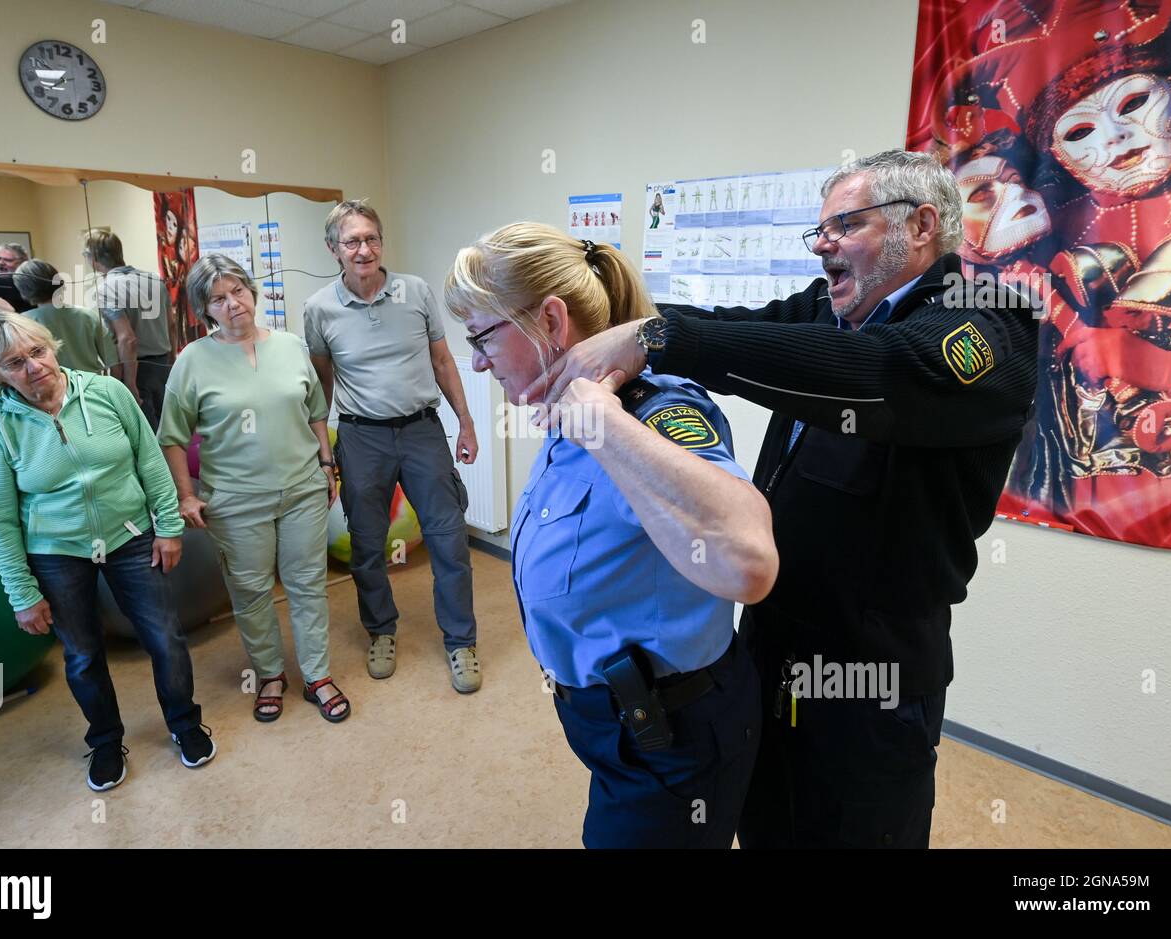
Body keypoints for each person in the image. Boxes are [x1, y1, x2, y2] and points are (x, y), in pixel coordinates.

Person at [531, 150, 1040, 848]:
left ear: (922, 226)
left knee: (853, 833)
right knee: (767, 821)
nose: (823, 242)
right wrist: (619, 334)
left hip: (870, 665)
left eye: (845, 224)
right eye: (819, 229)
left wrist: (662, 338)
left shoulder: (987, 322)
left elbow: (877, 374)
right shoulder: (829, 307)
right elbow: (741, 328)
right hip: (769, 642)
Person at [445, 223, 776, 847]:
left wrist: (603, 424)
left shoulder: (648, 412)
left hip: (672, 741)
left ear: (549, 319)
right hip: (617, 727)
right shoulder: (562, 410)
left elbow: (748, 561)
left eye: (482, 337)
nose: (479, 362)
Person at [0, 311, 214, 791]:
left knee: (164, 638)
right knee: (81, 655)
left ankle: (184, 724)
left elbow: (149, 458)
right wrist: (21, 591)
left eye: (38, 352)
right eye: (14, 363)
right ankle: (104, 741)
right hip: (55, 550)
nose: (34, 367)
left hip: (130, 534)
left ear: (52, 347)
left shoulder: (108, 392)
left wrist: (167, 527)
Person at [159, 255, 350, 724]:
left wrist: (327, 463)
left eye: (238, 291)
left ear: (252, 292)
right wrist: (186, 495)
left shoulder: (289, 346)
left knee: (308, 586)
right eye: (218, 299)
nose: (233, 304)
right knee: (250, 591)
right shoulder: (193, 361)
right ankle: (268, 674)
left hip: (303, 489)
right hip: (237, 499)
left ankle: (317, 675)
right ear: (206, 310)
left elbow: (316, 409)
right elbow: (172, 437)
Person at [304, 200, 482, 693]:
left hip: (423, 430)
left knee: (448, 539)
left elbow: (444, 363)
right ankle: (381, 630)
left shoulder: (417, 292)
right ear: (334, 250)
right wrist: (324, 454)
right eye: (352, 241)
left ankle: (461, 640)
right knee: (366, 546)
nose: (364, 249)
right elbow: (322, 387)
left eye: (372, 238)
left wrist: (465, 424)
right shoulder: (319, 309)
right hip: (361, 436)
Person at [83, 229, 174, 427]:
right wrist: (171, 361)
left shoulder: (106, 289)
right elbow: (171, 325)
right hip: (163, 363)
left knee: (147, 434)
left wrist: (130, 384)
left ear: (95, 258)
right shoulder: (155, 280)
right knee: (169, 430)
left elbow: (127, 339)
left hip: (136, 368)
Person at [14, 258, 117, 374]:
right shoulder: (88, 316)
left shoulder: (23, 324)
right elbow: (113, 362)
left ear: (24, 291)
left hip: (53, 388)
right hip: (93, 386)